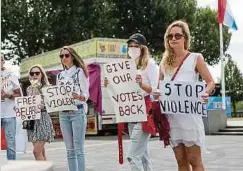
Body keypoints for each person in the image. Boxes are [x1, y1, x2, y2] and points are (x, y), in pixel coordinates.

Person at [157, 20, 215, 171]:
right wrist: (156, 94)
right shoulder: (163, 64)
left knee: (194, 160)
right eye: (170, 36)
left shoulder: (195, 58)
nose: (174, 39)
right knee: (181, 161)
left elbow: (210, 82)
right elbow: (159, 88)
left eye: (178, 35)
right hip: (172, 118)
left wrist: (205, 93)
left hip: (190, 118)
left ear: (185, 38)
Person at [105, 33, 159, 171]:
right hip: (131, 113)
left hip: (144, 112)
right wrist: (109, 84)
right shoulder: (125, 66)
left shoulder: (150, 64)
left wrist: (141, 85)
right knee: (143, 155)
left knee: (133, 155)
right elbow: (121, 90)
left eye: (136, 46)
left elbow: (156, 90)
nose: (133, 48)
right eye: (130, 46)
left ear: (143, 48)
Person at [56, 46, 89, 171]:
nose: (64, 58)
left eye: (66, 55)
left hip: (77, 111)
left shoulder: (80, 72)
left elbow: (86, 93)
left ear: (72, 56)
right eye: (61, 56)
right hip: (63, 113)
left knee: (78, 149)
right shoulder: (59, 76)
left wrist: (80, 96)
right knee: (69, 150)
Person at [25, 64, 55, 160]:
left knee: (36, 152)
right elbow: (28, 104)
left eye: (37, 73)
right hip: (32, 121)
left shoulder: (47, 87)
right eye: (32, 73)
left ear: (41, 74)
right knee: (41, 152)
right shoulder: (29, 89)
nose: (34, 75)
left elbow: (51, 104)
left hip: (43, 119)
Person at [1, 55, 22, 160]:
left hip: (9, 114)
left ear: (2, 61)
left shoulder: (10, 75)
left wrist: (8, 95)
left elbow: (19, 95)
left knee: (10, 145)